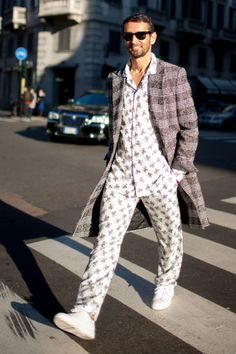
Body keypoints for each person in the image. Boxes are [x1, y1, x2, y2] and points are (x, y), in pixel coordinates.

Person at [53, 13, 209, 340]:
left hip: (160, 177)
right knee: (106, 243)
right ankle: (86, 311)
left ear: (153, 37)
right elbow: (117, 126)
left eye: (140, 35)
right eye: (128, 36)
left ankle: (166, 281)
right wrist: (113, 161)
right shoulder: (116, 78)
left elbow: (189, 128)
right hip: (121, 177)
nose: (133, 42)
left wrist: (176, 172)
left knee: (168, 237)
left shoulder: (173, 75)